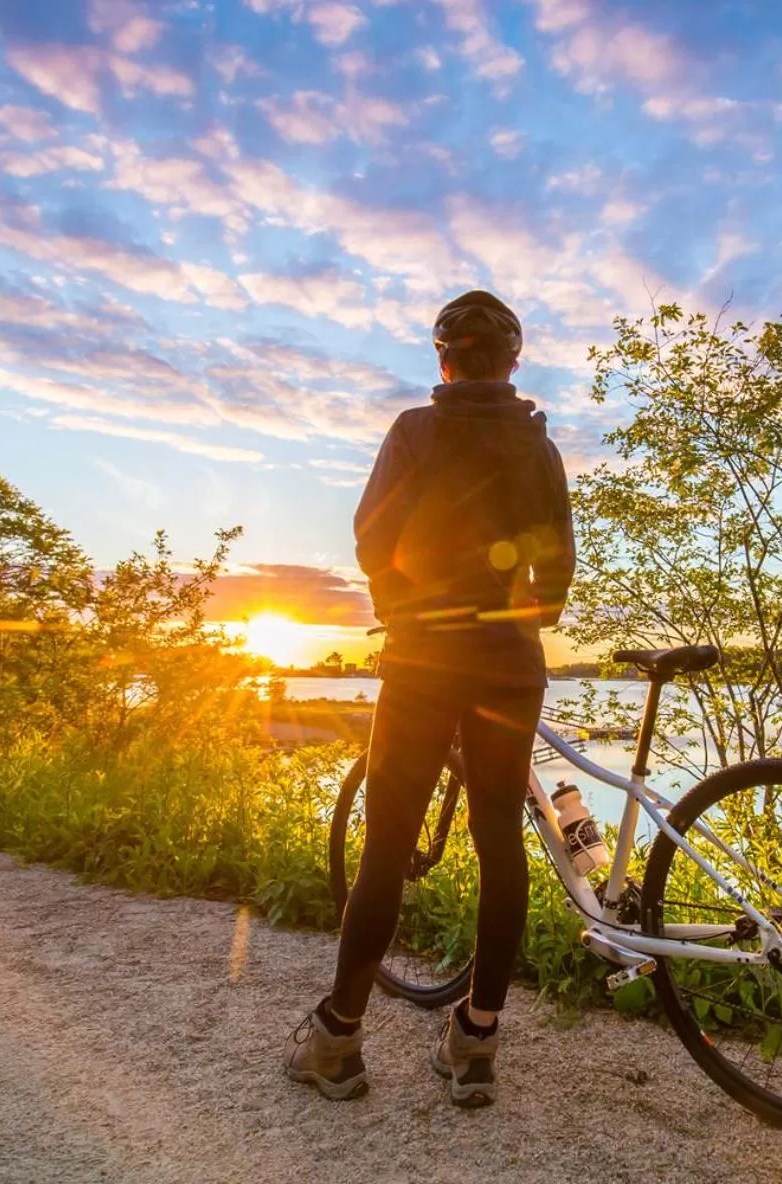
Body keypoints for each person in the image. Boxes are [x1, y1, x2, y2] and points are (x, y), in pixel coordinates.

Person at [285, 290, 575, 1108]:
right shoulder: (538, 447)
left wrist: (404, 610)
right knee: (500, 843)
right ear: (512, 364)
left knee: (388, 845)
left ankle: (338, 1040)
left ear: (444, 361)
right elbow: (556, 571)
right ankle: (475, 1043)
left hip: (421, 663)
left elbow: (372, 536)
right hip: (509, 670)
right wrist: (522, 621)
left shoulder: (414, 431)